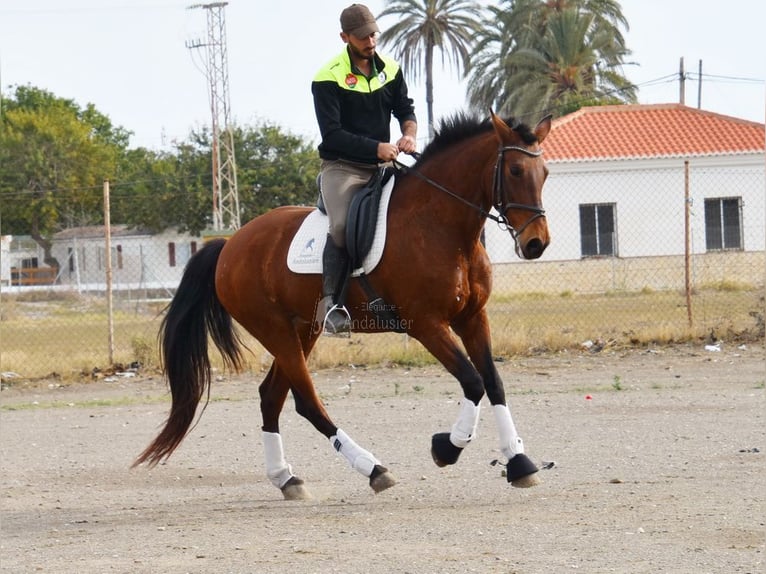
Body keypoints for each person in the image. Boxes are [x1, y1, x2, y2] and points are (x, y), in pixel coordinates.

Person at [311, 3, 418, 336]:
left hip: (383, 165)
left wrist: (408, 134)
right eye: (362, 37)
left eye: (373, 34)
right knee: (341, 227)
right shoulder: (326, 78)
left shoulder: (391, 68)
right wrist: (376, 147)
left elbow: (405, 109)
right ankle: (332, 306)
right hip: (343, 168)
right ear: (345, 37)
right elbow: (333, 134)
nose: (370, 42)